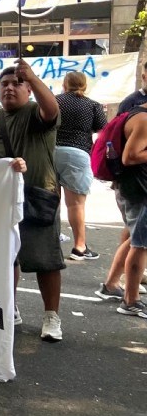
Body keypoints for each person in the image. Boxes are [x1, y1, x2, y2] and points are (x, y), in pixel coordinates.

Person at [0, 61, 65, 342]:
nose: (9, 88)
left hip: (37, 196)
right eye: (4, 84)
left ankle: (51, 316)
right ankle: (10, 306)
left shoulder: (35, 113)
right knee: (6, 258)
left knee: (46, 260)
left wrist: (33, 77)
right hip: (0, 200)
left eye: (17, 83)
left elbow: (51, 109)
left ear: (28, 90)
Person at [54, 72, 107, 261]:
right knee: (76, 204)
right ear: (84, 85)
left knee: (51, 200)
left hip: (51, 151)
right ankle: (79, 246)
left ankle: (50, 242)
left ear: (65, 84)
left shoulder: (54, 100)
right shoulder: (92, 105)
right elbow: (104, 130)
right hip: (77, 153)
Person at [108, 99, 147, 319]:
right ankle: (131, 301)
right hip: (139, 189)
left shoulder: (138, 113)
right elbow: (130, 156)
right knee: (141, 245)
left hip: (133, 187)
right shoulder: (143, 118)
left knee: (135, 239)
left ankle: (111, 284)